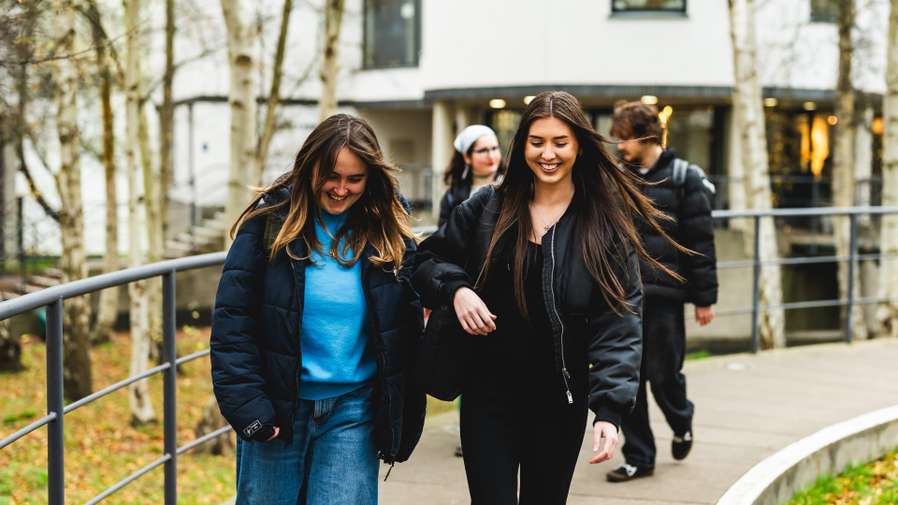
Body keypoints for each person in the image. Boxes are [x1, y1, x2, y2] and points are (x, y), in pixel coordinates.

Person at [412, 91, 689, 505]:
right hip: (488, 397)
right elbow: (426, 261)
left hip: (560, 401)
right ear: (522, 144)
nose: (548, 154)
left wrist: (610, 411)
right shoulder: (489, 206)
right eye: (537, 141)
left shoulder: (604, 224)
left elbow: (621, 321)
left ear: (578, 144)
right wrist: (458, 290)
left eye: (560, 142)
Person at [210, 114, 425, 505]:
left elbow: (407, 320)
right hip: (278, 408)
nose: (341, 189)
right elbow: (232, 322)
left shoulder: (388, 227)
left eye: (354, 179)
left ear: (370, 178)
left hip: (353, 410)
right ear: (309, 168)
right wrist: (251, 410)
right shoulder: (270, 221)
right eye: (331, 176)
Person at [605, 101, 718, 483]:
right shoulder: (622, 177)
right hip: (625, 296)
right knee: (628, 378)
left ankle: (681, 419)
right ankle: (639, 456)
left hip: (667, 296)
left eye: (625, 139)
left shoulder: (685, 177)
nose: (620, 147)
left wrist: (705, 298)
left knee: (664, 374)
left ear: (645, 136)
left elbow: (701, 241)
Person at [438, 124, 503, 227]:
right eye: (483, 150)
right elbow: (445, 237)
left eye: (494, 148)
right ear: (467, 157)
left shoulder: (513, 187)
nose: (491, 156)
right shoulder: (452, 197)